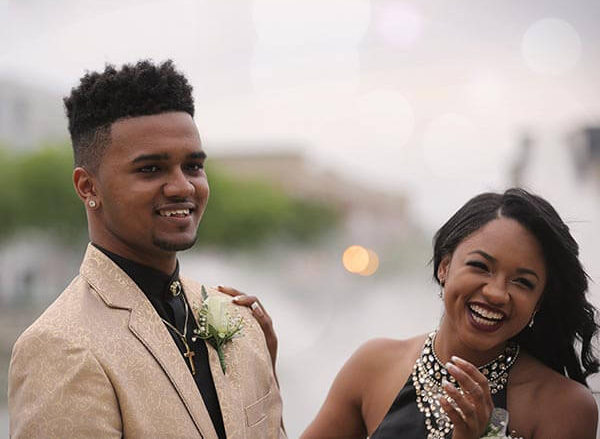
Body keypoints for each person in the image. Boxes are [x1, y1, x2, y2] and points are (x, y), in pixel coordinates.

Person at [8, 60, 285, 438]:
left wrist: (264, 360)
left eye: (193, 166)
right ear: (88, 187)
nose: (182, 187)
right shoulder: (61, 346)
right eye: (151, 169)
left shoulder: (240, 323)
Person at [302, 188, 599, 438]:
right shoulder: (374, 366)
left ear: (539, 301)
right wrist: (262, 369)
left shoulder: (564, 407)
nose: (496, 293)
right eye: (480, 266)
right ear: (445, 267)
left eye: (522, 282)